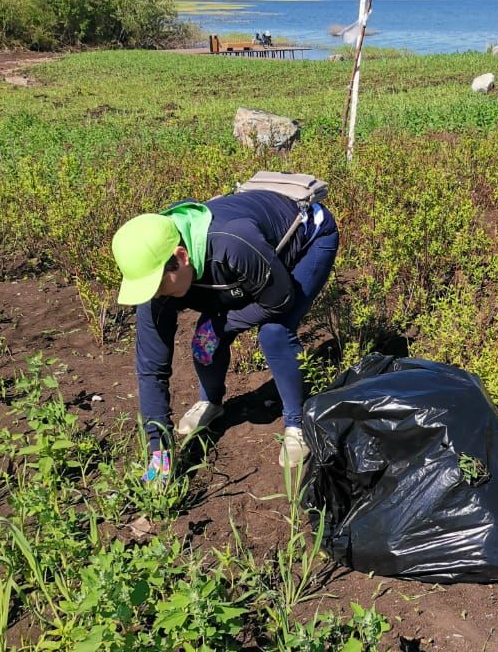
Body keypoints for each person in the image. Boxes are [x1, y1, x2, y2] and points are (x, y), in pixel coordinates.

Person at [111, 186, 339, 481]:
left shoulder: (232, 242)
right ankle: (211, 402)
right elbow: (151, 370)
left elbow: (281, 299)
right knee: (205, 339)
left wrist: (224, 325)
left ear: (181, 256)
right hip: (247, 265)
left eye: (158, 285)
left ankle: (296, 423)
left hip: (308, 237)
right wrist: (160, 455)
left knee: (274, 332)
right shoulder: (157, 281)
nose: (155, 295)